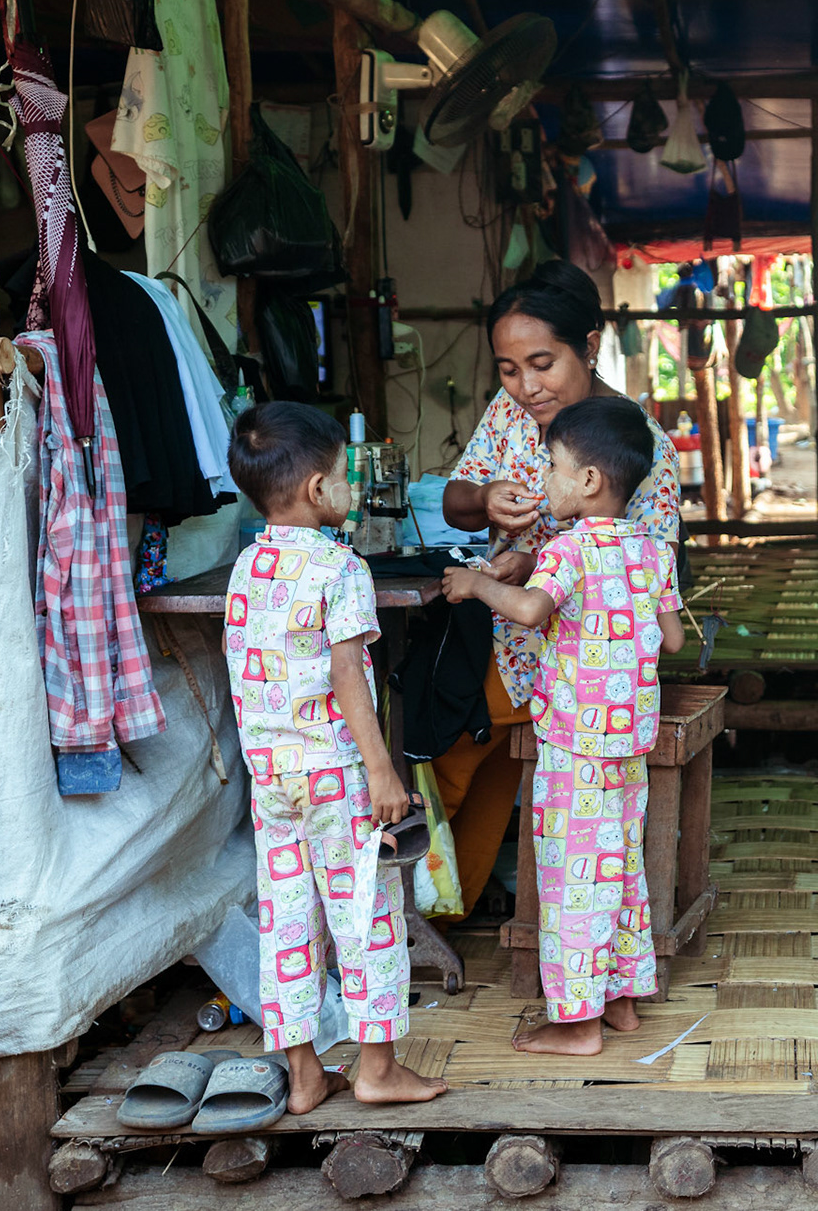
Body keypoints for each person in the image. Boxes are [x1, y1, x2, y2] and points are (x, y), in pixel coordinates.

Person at [434, 261, 681, 919]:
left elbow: (648, 583)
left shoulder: (639, 444)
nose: (525, 386)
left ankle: (424, 920)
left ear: (589, 346)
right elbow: (455, 500)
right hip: (508, 642)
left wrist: (533, 567)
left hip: (582, 673)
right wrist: (485, 500)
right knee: (471, 769)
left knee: (455, 757)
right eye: (509, 369)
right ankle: (433, 918)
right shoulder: (510, 416)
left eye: (541, 363)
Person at [443, 397, 686, 1055]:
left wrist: (474, 584)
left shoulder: (566, 550)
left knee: (573, 877)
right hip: (629, 744)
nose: (544, 479)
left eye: (551, 467)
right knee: (620, 868)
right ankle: (624, 1002)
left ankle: (577, 1022)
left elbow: (527, 610)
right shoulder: (651, 553)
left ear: (588, 482)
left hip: (575, 745)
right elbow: (671, 640)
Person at [224, 402, 448, 1111]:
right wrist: (383, 773)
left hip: (272, 779)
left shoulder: (245, 569)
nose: (352, 489)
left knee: (289, 921)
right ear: (320, 491)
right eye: (347, 477)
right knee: (365, 914)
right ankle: (377, 1069)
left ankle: (303, 1075)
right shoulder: (339, 567)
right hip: (334, 773)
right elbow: (349, 676)